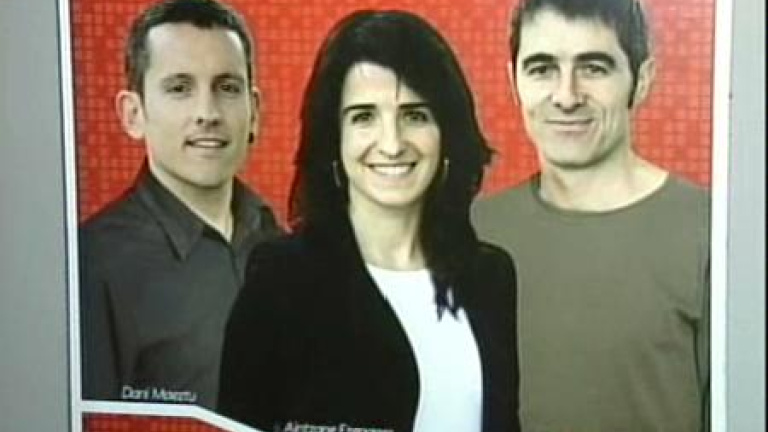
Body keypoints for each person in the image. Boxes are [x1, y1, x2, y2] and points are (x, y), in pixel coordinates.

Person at [218, 10, 520, 432]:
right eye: (364, 116)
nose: (392, 144)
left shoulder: (490, 276)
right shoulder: (281, 279)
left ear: (446, 133)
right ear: (334, 139)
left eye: (414, 115)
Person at [472, 0, 710, 431]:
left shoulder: (712, 234)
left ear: (642, 80)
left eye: (594, 68)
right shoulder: (470, 234)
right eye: (542, 68)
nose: (566, 96)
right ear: (514, 81)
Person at [79, 0, 281, 409]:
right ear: (133, 114)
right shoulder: (91, 264)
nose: (207, 113)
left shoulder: (283, 245)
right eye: (179, 88)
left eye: (227, 88)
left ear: (255, 111)